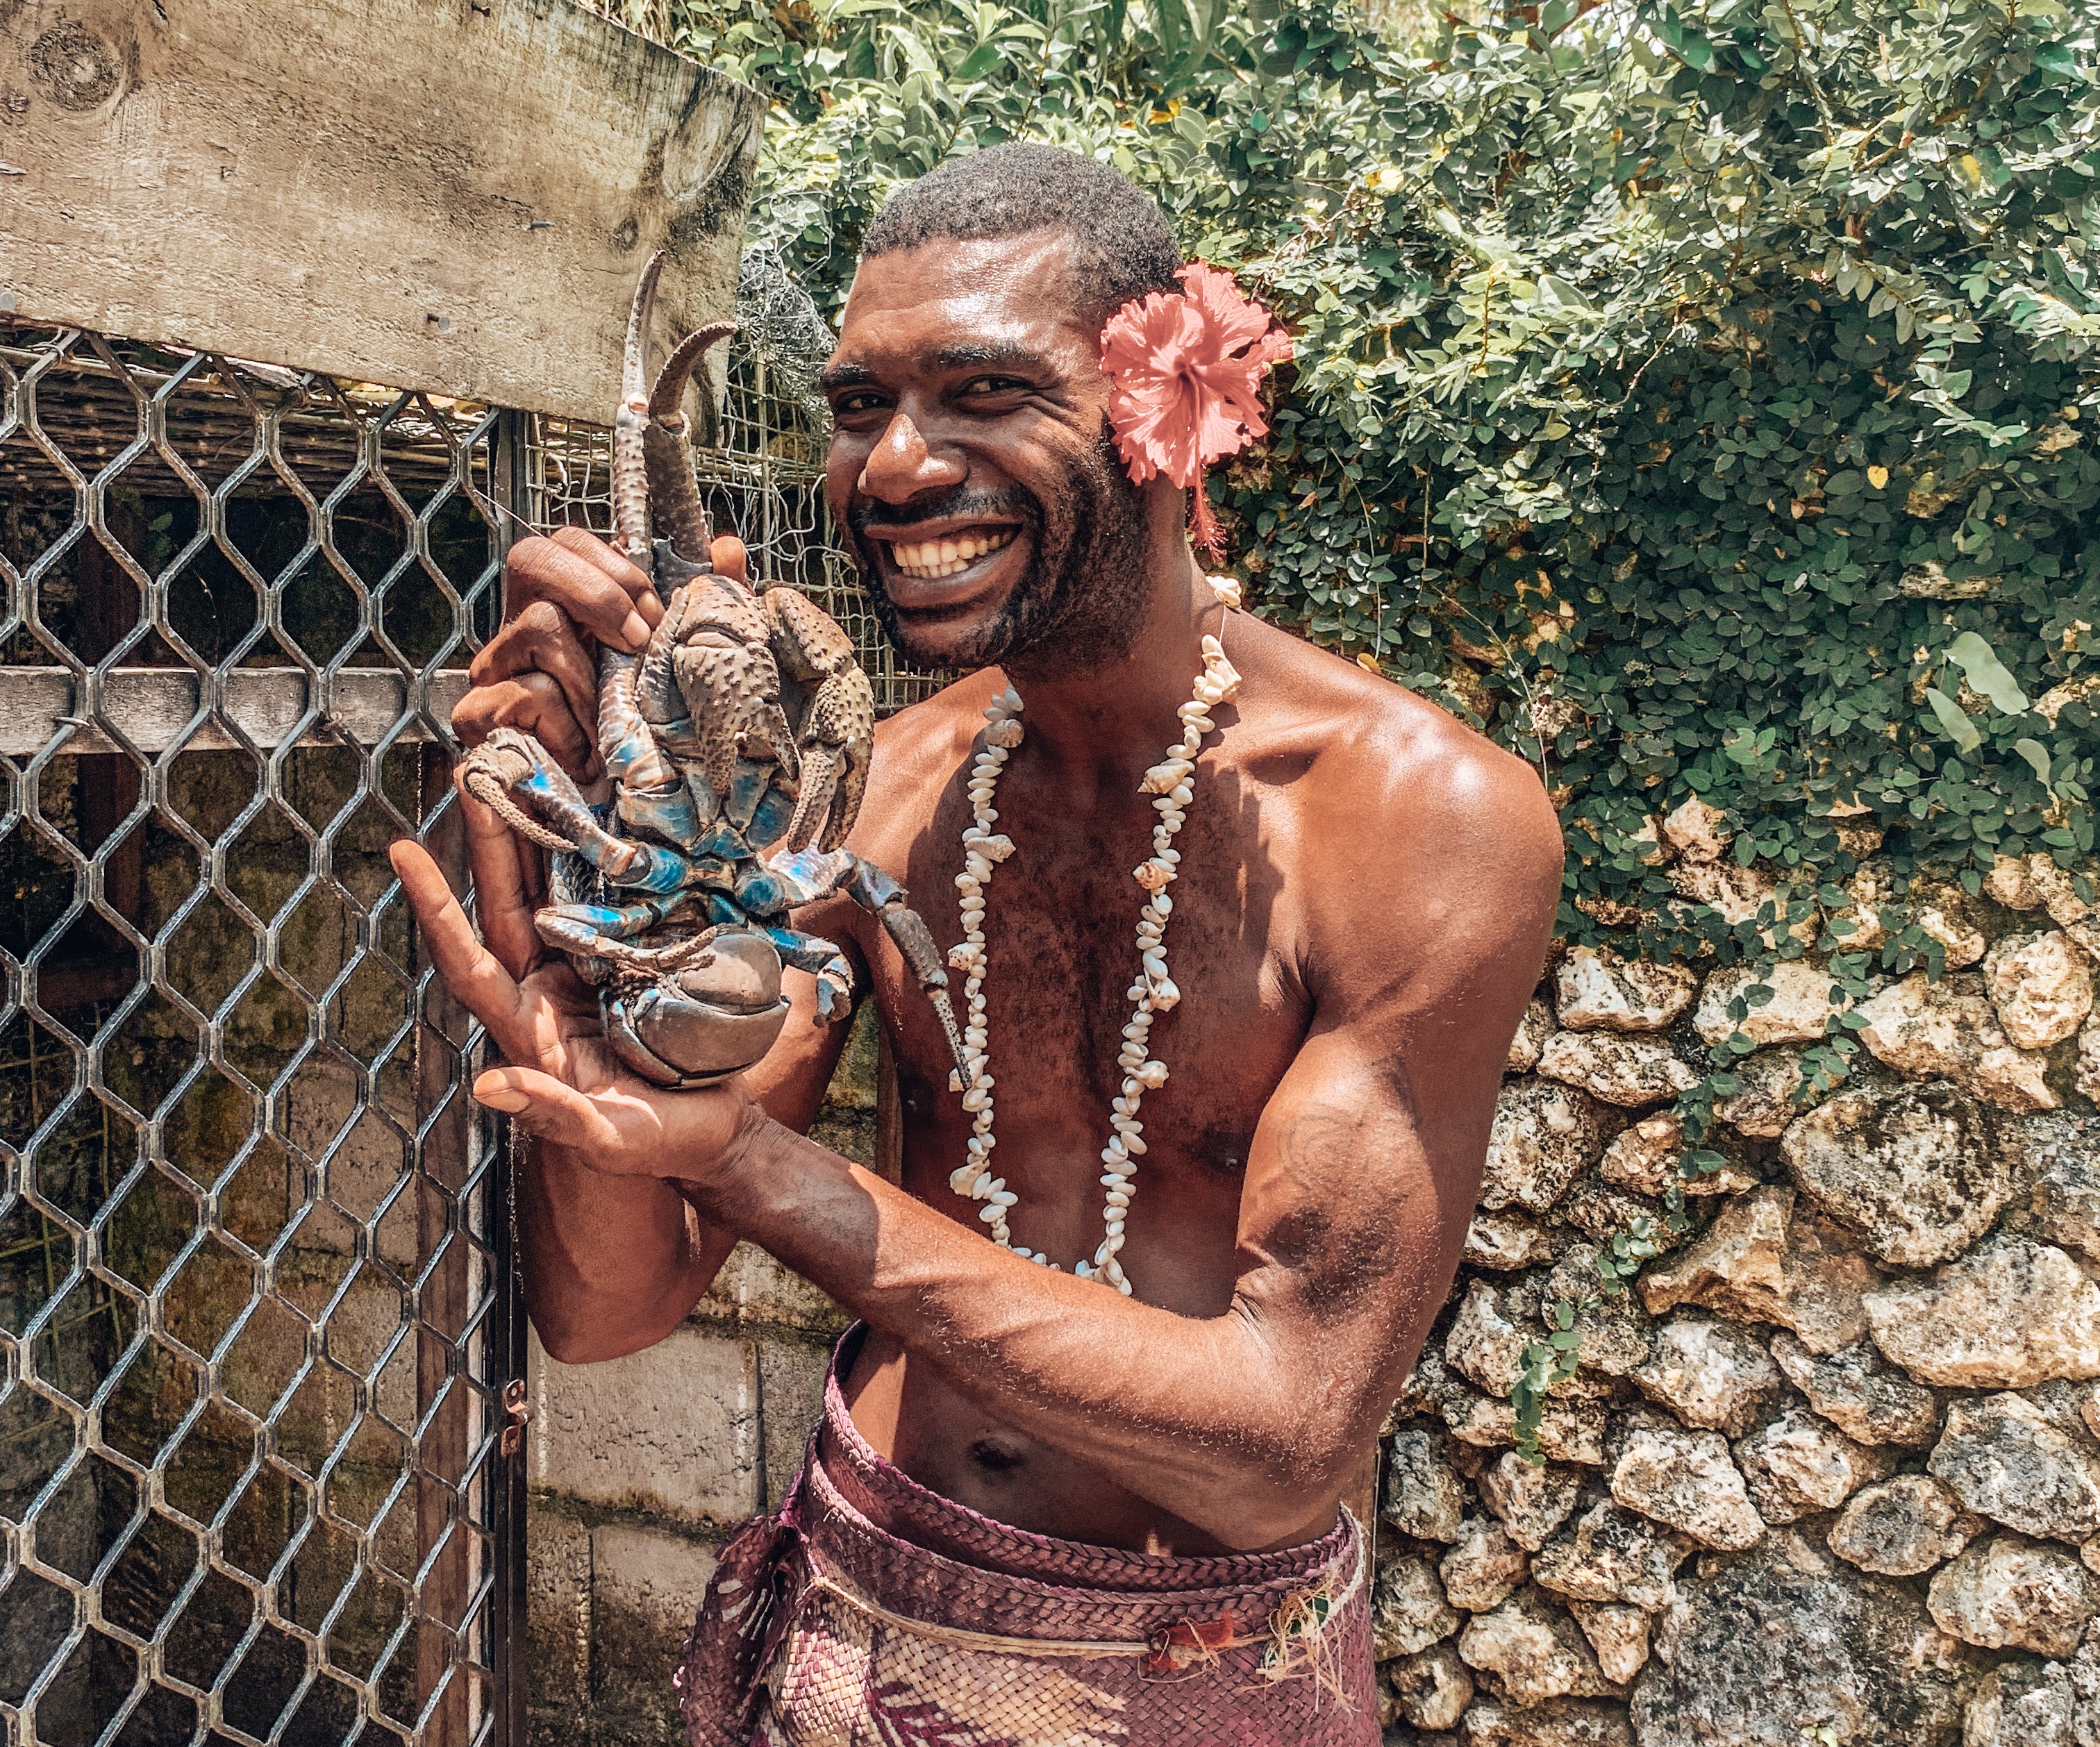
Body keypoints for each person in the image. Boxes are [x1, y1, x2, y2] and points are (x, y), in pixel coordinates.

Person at [392, 143, 1562, 1744]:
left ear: (1177, 411)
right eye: (861, 403)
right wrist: (606, 963)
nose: (890, 467)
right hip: (853, 1603)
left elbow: (1286, 1436)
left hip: (1202, 1674)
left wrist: (753, 1166)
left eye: (986, 391)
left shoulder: (1416, 822)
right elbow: (611, 1307)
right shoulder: (887, 787)